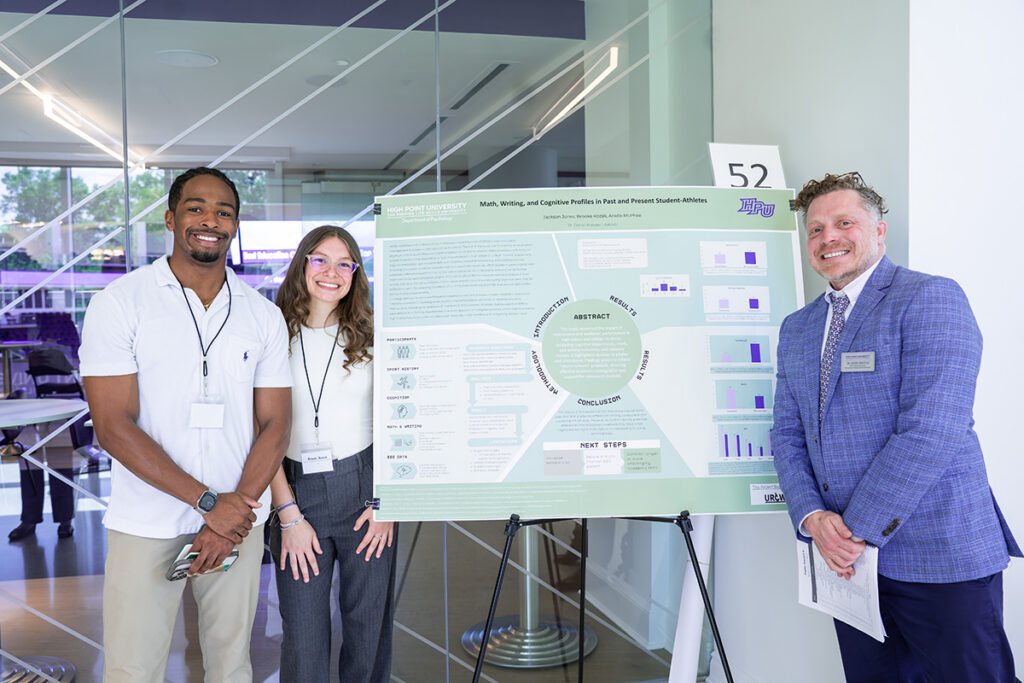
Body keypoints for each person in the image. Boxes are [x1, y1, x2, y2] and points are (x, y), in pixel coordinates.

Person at [771, 172, 1021, 682]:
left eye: (844, 222)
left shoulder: (929, 298)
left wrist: (852, 532)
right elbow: (786, 434)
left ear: (879, 231)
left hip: (937, 552)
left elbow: (933, 429)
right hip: (846, 565)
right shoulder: (797, 328)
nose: (828, 238)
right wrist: (812, 517)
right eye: (815, 229)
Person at [79, 167, 292, 682]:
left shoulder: (262, 316)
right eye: (196, 208)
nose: (210, 220)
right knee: (133, 669)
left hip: (237, 524)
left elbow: (276, 425)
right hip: (147, 522)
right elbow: (112, 426)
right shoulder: (120, 303)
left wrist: (232, 511)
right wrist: (207, 503)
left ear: (235, 225)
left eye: (224, 211)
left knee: (231, 664)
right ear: (171, 219)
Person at [268, 224, 396, 683]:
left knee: (368, 632)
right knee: (303, 637)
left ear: (356, 274)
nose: (332, 272)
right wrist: (288, 516)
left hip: (367, 491)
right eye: (321, 259)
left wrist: (388, 501)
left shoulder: (373, 336)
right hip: (295, 494)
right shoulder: (269, 334)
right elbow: (260, 433)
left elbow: (397, 424)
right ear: (302, 263)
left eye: (345, 263)